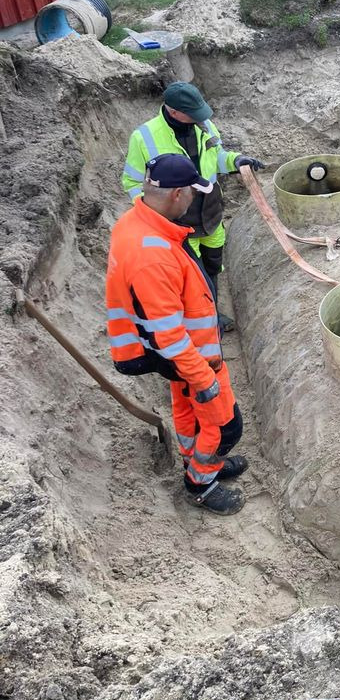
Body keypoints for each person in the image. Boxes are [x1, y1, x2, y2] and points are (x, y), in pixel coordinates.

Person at [107, 153, 247, 515]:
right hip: (192, 357)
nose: (194, 199)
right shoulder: (152, 255)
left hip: (174, 356)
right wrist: (202, 376)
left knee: (188, 410)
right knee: (225, 426)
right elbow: (168, 334)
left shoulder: (136, 222)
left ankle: (202, 463)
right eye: (192, 193)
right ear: (175, 195)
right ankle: (200, 482)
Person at [122, 81, 264, 331]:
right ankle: (202, 325)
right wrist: (151, 211)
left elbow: (216, 158)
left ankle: (212, 314)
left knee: (212, 267)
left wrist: (236, 160)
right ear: (174, 112)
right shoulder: (144, 137)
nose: (201, 119)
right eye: (194, 114)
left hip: (210, 214)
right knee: (193, 277)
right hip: (178, 222)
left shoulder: (204, 125)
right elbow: (132, 181)